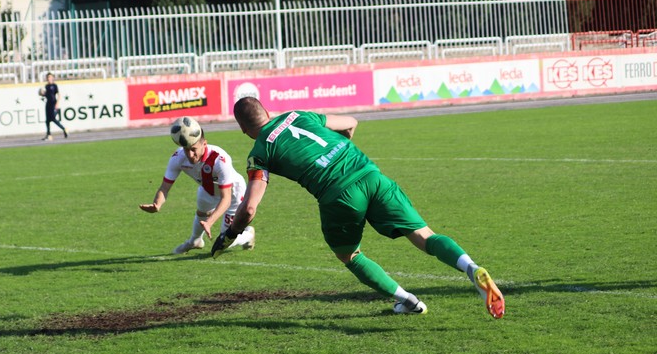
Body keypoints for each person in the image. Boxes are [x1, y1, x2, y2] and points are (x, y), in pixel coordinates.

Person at [212, 97, 505, 319]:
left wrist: (229, 235)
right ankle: (472, 267)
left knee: (349, 255)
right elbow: (351, 121)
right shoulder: (298, 114)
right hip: (370, 175)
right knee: (424, 236)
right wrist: (340, 149)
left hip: (338, 195)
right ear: (267, 111)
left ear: (243, 128)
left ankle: (407, 300)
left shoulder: (260, 150)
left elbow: (249, 209)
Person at [140, 116, 256, 255]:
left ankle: (248, 235)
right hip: (207, 189)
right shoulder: (178, 158)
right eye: (186, 149)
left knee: (225, 241)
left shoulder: (219, 159)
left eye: (194, 149)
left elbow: (226, 199)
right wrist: (157, 204)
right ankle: (195, 241)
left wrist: (210, 222)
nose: (190, 154)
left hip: (233, 193)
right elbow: (165, 187)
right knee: (201, 213)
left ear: (204, 144)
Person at [40, 72, 68, 140]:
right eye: (48, 77)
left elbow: (58, 95)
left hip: (53, 103)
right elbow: (46, 95)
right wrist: (42, 94)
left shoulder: (54, 86)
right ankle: (49, 134)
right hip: (48, 104)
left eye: (50, 77)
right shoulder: (46, 86)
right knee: (47, 120)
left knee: (52, 118)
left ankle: (64, 129)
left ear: (52, 78)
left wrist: (57, 104)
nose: (49, 78)